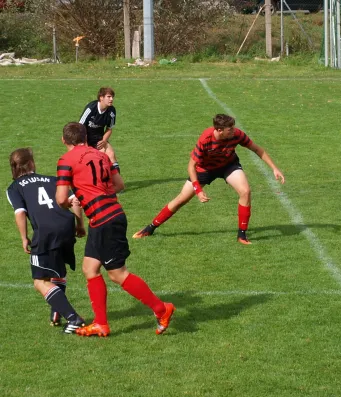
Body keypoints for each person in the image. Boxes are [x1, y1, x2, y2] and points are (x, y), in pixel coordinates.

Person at [56, 122, 175, 337]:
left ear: (64, 140)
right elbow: (119, 185)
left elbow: (61, 198)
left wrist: (77, 199)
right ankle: (101, 323)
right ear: (85, 137)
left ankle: (162, 309)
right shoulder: (101, 155)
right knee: (90, 269)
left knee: (118, 274)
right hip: (108, 217)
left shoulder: (66, 160)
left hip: (104, 221)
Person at [132, 114, 285, 245]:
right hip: (204, 170)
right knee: (181, 199)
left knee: (245, 191)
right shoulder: (206, 139)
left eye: (233, 127)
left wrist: (274, 168)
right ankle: (150, 228)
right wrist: (198, 190)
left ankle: (242, 235)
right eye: (229, 129)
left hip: (228, 165)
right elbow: (191, 166)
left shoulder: (237, 134)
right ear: (219, 130)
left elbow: (257, 149)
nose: (233, 131)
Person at [6, 148, 86, 334]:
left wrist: (24, 237)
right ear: (32, 163)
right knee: (57, 270)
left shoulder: (14, 188)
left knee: (39, 281)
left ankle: (73, 318)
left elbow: (20, 213)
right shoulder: (52, 179)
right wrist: (80, 224)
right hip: (66, 226)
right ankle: (57, 311)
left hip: (46, 232)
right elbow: (74, 200)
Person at [79, 87, 120, 173]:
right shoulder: (90, 108)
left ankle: (116, 183)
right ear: (101, 97)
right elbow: (80, 127)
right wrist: (85, 145)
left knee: (111, 155)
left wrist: (104, 140)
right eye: (109, 97)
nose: (111, 99)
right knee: (94, 160)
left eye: (112, 97)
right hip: (84, 138)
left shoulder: (112, 111)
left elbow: (109, 128)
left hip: (99, 139)